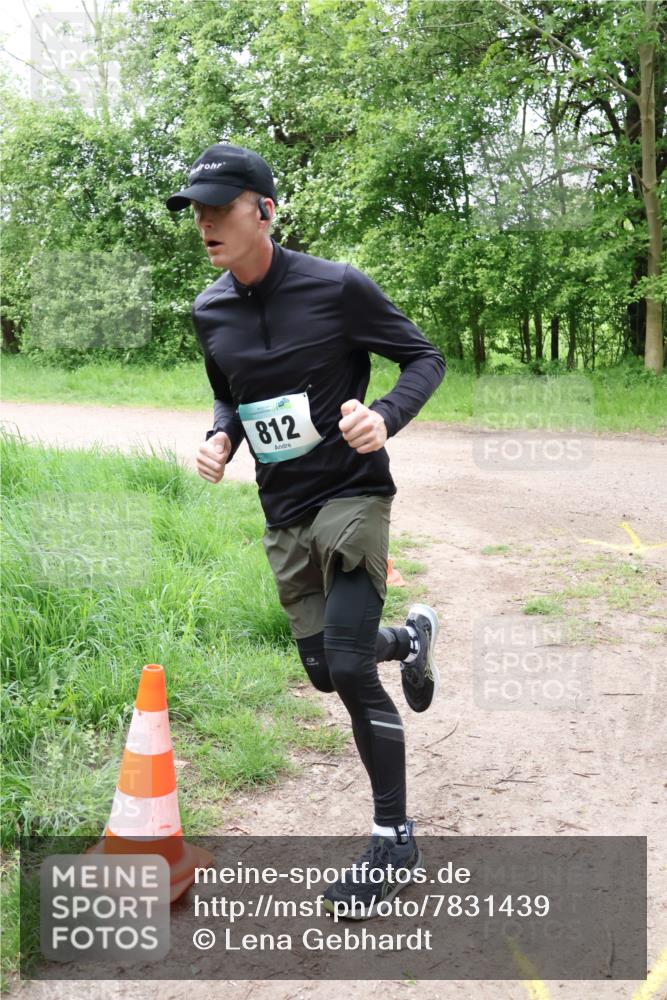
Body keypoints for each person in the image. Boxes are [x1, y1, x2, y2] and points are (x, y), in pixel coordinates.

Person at [166, 143, 446, 920]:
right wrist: (221, 437)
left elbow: (423, 357)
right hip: (283, 508)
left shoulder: (337, 286)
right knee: (325, 670)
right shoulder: (208, 309)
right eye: (196, 209)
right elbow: (231, 398)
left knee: (350, 666)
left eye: (219, 207)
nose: (204, 222)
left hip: (352, 493)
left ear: (265, 209)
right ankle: (412, 640)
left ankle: (393, 836)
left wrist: (382, 416)